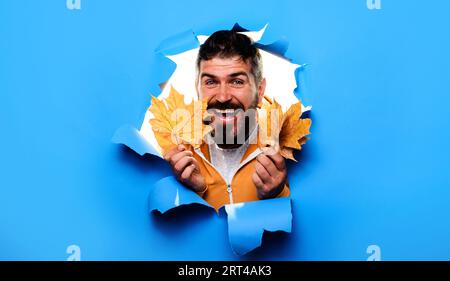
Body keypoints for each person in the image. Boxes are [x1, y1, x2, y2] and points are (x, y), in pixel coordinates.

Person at [163, 30, 289, 210]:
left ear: (260, 91)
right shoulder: (176, 158)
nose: (222, 97)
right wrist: (194, 193)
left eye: (237, 81)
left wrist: (276, 195)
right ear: (197, 89)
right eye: (211, 82)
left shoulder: (288, 154)